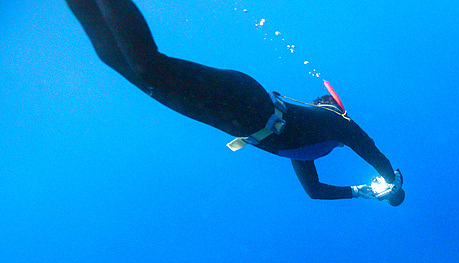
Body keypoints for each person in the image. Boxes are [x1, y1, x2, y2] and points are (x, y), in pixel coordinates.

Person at [66, 0, 404, 205]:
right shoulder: (336, 123)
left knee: (124, 65)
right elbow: (373, 151)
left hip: (228, 120)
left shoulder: (311, 147)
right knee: (148, 66)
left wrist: (360, 191)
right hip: (245, 100)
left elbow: (314, 192)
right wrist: (392, 182)